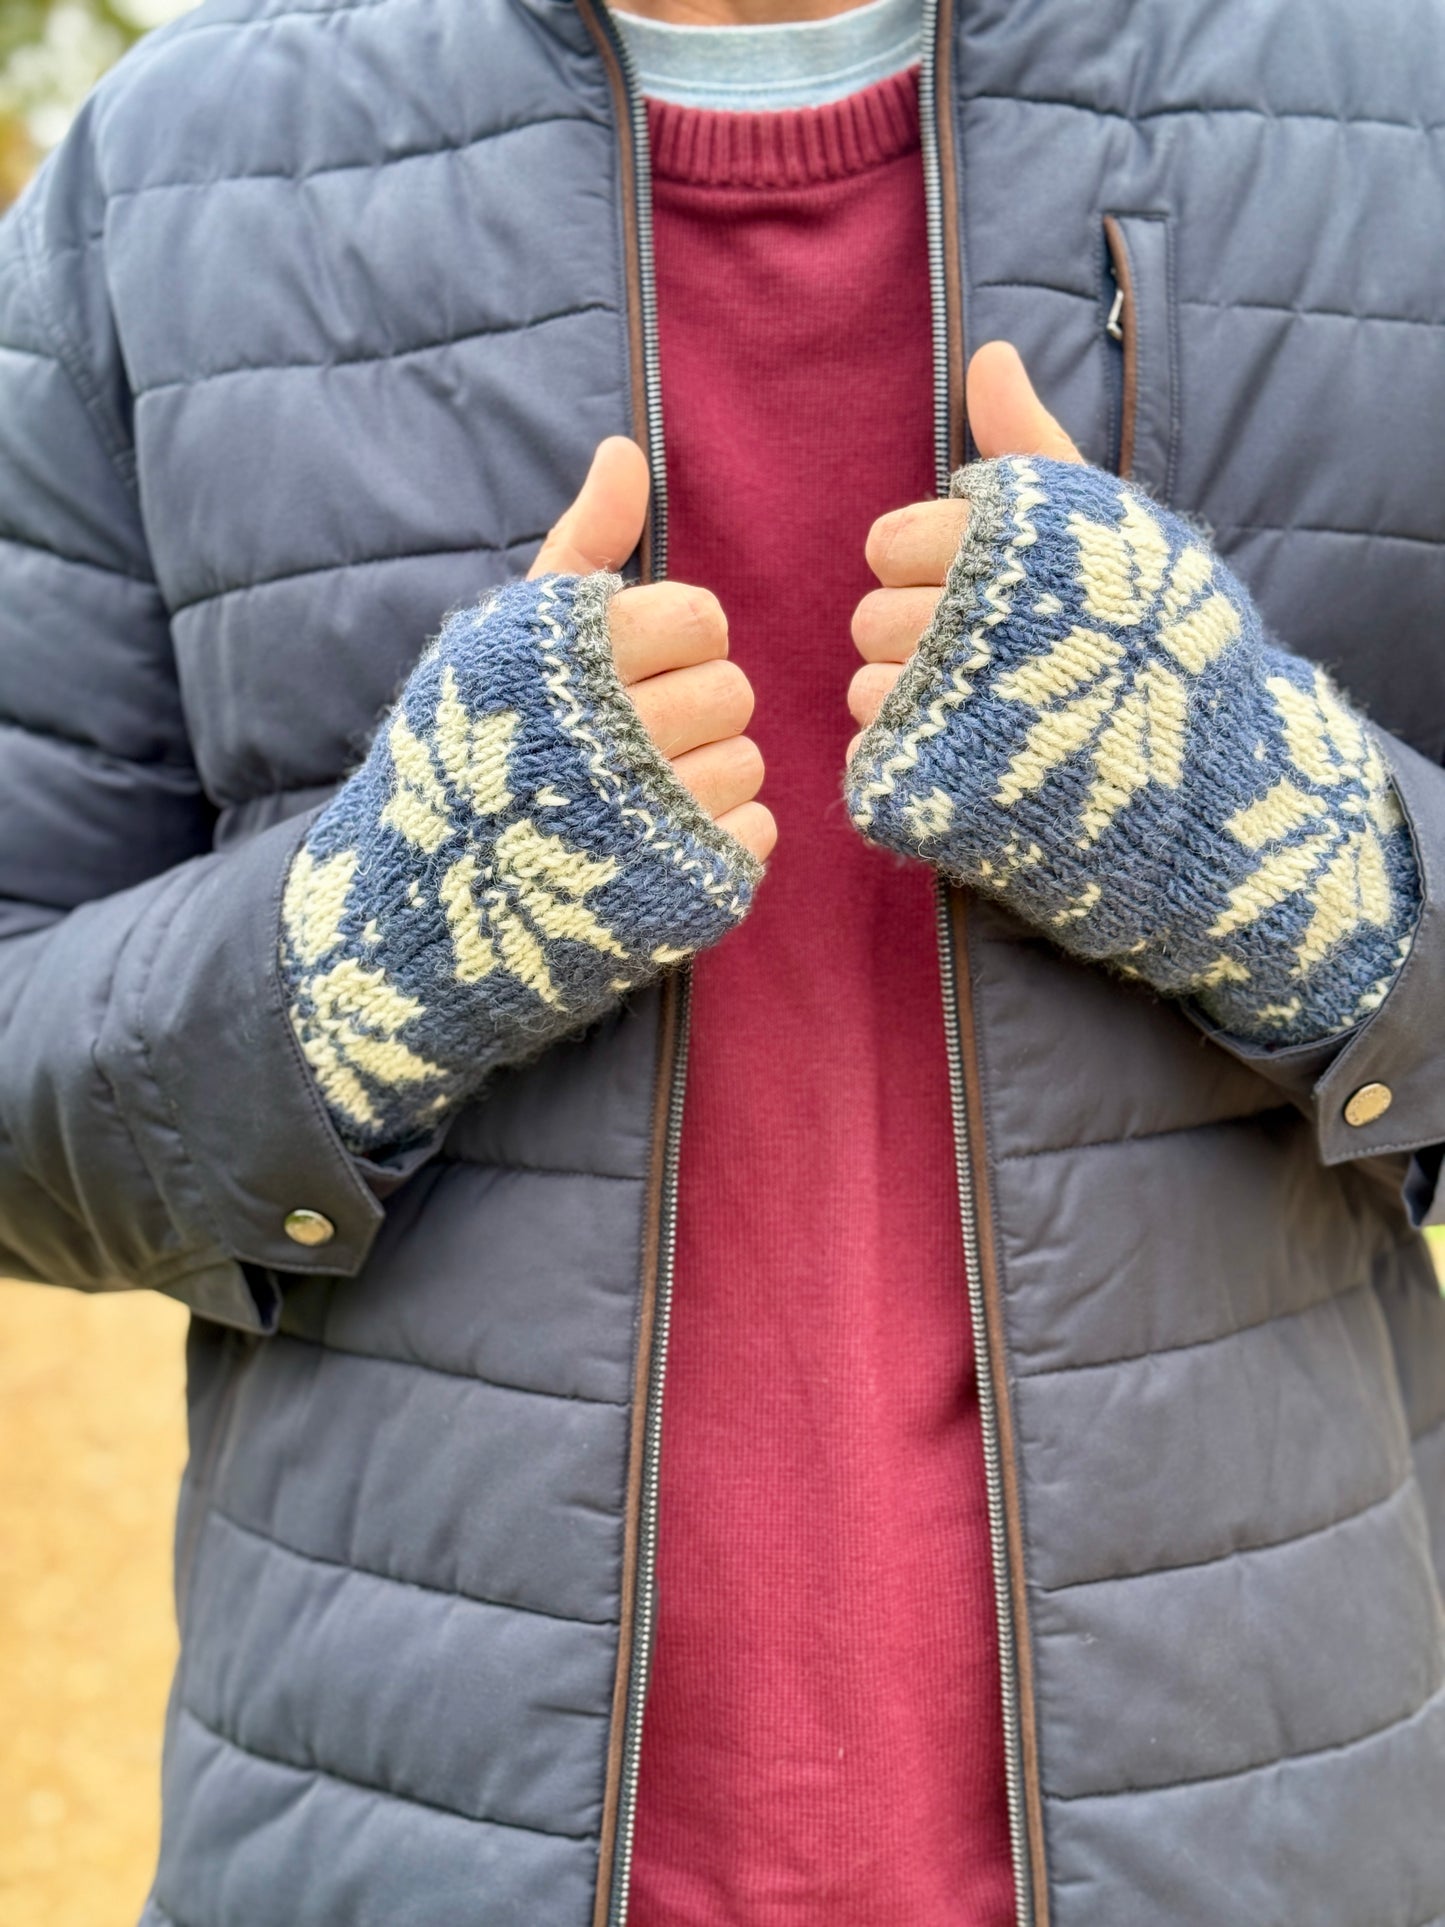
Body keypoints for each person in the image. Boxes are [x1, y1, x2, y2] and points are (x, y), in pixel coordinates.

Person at [1, 0, 1443, 1920]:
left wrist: (1273, 837)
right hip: (404, 1849)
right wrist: (370, 943)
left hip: (1262, 1846)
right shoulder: (162, 173)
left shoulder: (1393, 105)